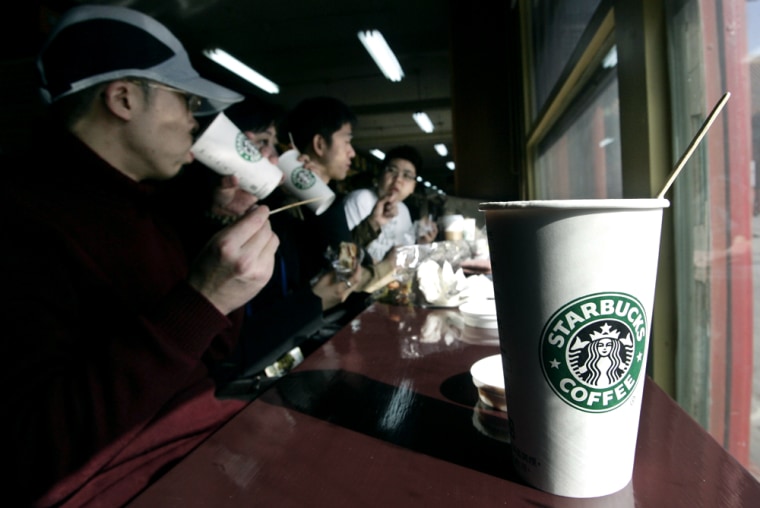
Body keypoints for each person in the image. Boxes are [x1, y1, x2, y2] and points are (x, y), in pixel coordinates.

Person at [0, 6, 279, 506]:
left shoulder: (148, 208)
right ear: (124, 98)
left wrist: (218, 245)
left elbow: (212, 354)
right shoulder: (23, 224)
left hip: (206, 453)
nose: (194, 125)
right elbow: (32, 449)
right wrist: (203, 298)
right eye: (185, 101)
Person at [344, 145, 438, 263]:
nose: (398, 179)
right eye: (392, 170)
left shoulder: (403, 210)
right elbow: (344, 256)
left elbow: (404, 257)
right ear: (380, 175)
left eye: (407, 175)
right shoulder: (359, 200)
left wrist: (422, 243)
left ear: (413, 187)